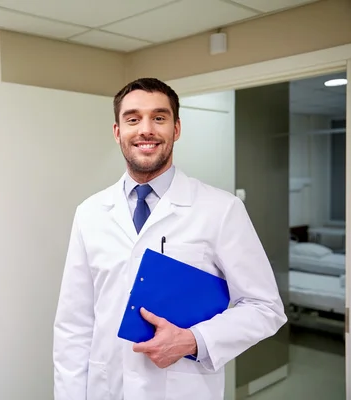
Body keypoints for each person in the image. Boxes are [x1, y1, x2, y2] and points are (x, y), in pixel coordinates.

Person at [52, 77, 287, 400]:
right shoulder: (90, 212)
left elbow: (265, 307)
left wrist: (194, 340)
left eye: (159, 118)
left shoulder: (221, 209)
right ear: (117, 131)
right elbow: (74, 325)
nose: (145, 129)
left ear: (176, 129)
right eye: (133, 119)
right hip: (108, 390)